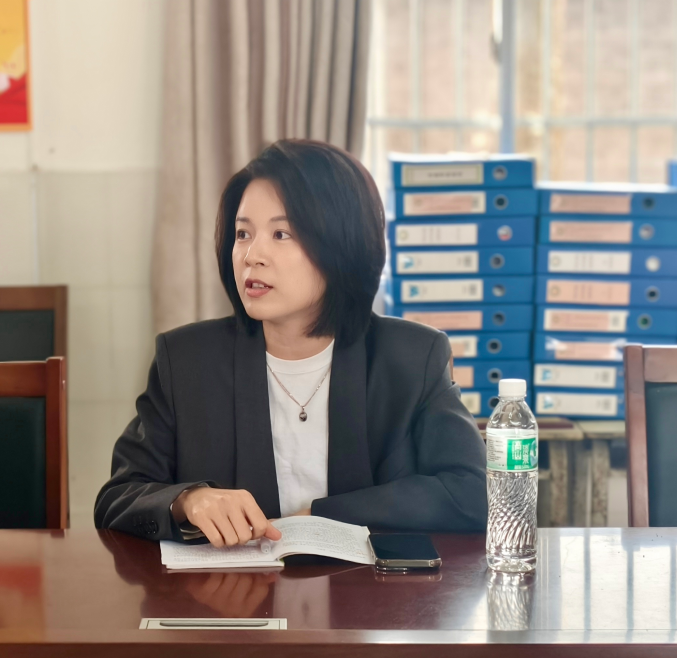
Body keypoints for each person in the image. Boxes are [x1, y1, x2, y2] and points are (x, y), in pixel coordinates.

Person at [95, 139, 486, 546]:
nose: (252, 255)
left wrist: (321, 517)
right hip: (236, 586)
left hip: (365, 586)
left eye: (281, 234)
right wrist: (187, 501)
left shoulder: (412, 358)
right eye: (243, 234)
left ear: (342, 245)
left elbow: (472, 493)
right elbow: (116, 497)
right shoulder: (186, 361)